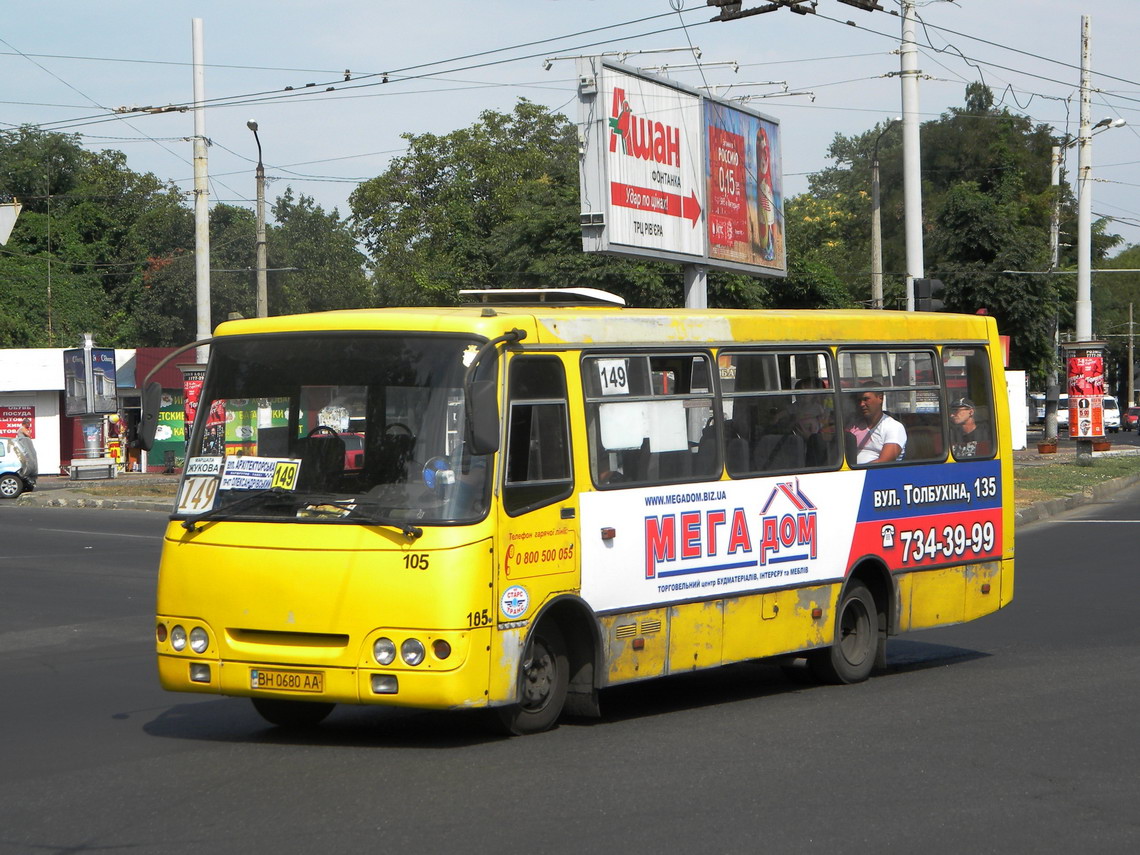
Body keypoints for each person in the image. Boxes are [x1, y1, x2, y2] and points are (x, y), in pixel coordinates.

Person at [848, 385, 906, 464]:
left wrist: (854, 471)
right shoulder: (854, 425)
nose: (861, 404)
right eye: (859, 400)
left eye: (866, 399)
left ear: (880, 398)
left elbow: (883, 462)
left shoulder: (894, 427)